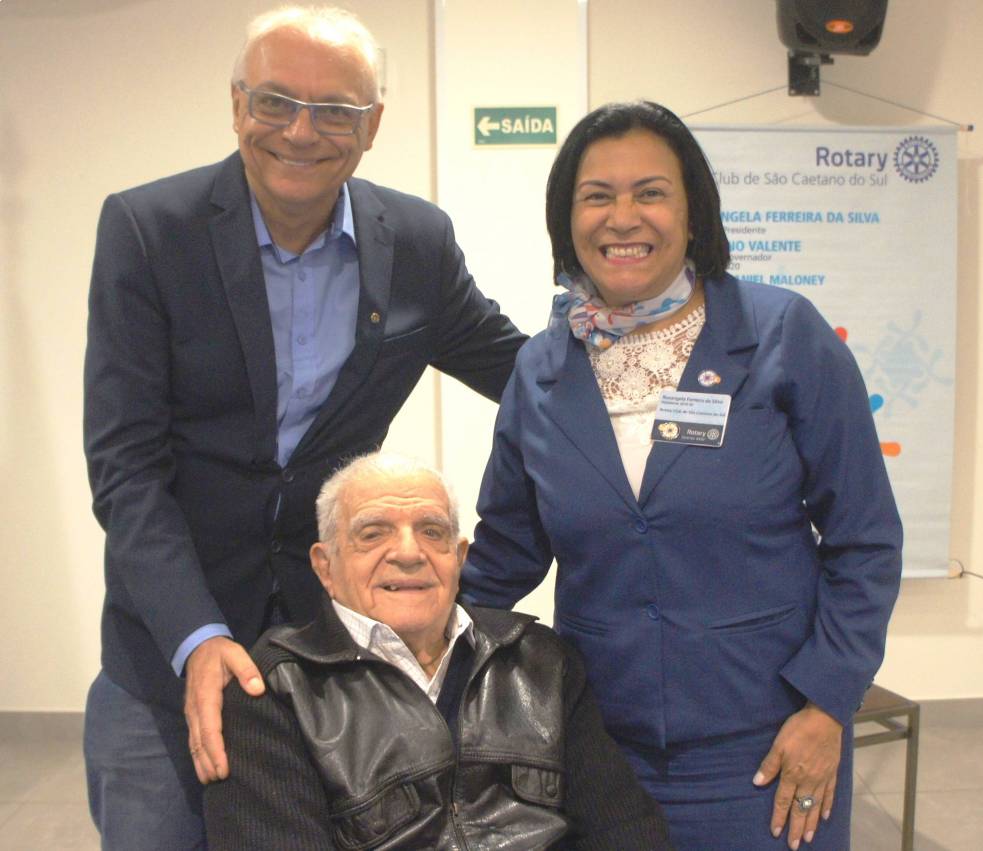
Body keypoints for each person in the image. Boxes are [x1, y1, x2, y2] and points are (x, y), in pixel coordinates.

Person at [82, 7, 525, 848]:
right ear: (237, 104)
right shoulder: (150, 230)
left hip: (332, 660)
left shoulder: (416, 242)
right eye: (276, 101)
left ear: (373, 125)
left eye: (334, 110)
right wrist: (196, 635)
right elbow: (126, 467)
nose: (300, 130)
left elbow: (523, 376)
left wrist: (635, 333)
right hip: (165, 658)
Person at [459, 101, 903, 851]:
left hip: (771, 747)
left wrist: (828, 704)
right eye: (597, 196)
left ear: (693, 213)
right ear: (567, 219)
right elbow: (504, 555)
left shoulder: (783, 335)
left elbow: (865, 539)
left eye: (651, 193)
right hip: (598, 749)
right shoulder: (541, 369)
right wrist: (396, 636)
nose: (622, 217)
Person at [202, 453, 672, 850]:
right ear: (326, 567)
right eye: (373, 533)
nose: (409, 553)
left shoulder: (539, 661)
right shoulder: (273, 690)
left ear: (459, 557)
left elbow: (627, 831)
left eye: (432, 531)